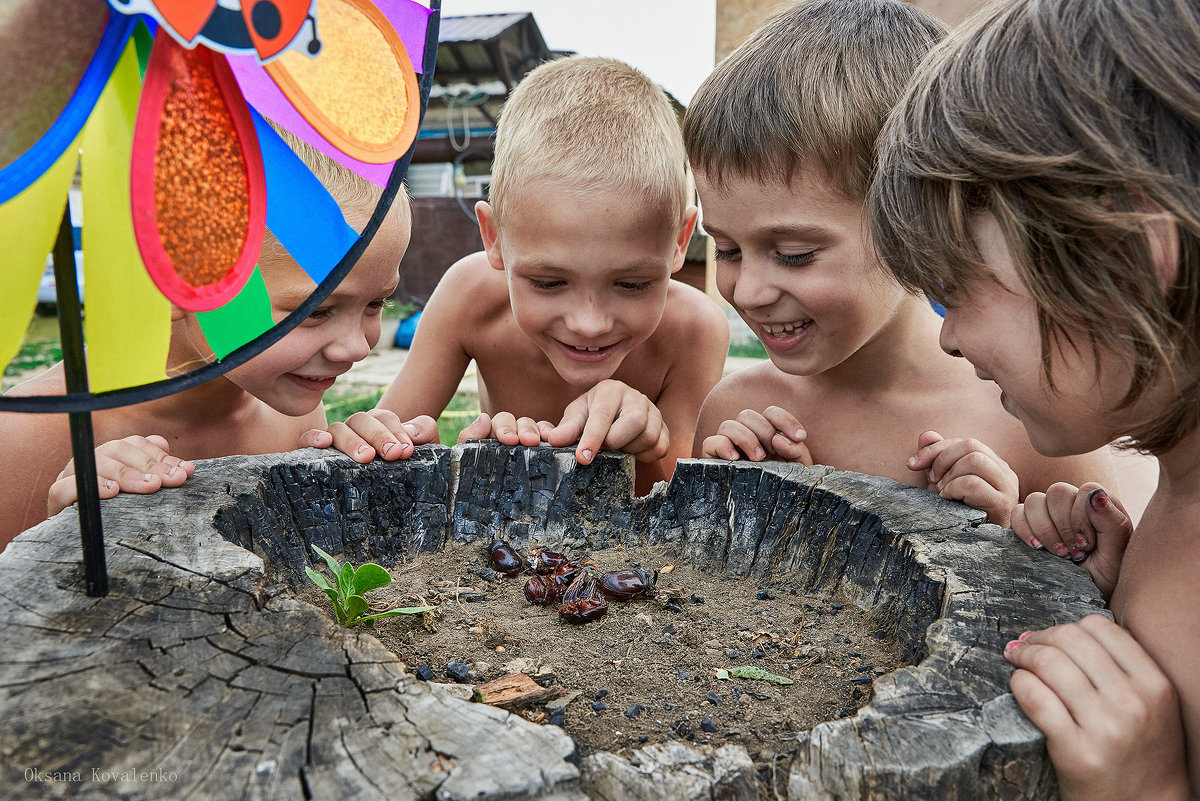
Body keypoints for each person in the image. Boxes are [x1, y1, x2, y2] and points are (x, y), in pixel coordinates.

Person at [868, 0, 1200, 797]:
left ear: (1121, 261)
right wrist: (1119, 596)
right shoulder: (1179, 486)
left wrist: (1148, 789)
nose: (946, 339)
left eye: (954, 295)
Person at [681, 0, 1114, 529]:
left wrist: (1002, 536)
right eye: (726, 250)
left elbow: (1103, 588)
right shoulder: (736, 416)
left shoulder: (1031, 421)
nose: (746, 291)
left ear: (912, 224)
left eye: (795, 255)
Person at [305, 56, 730, 494]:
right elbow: (390, 436)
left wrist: (643, 442)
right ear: (494, 238)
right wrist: (406, 452)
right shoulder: (470, 297)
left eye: (631, 284)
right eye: (548, 283)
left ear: (680, 242)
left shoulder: (694, 331)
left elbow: (684, 509)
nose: (589, 322)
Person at [0, 127, 414, 549]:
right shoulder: (26, 434)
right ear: (176, 282)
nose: (357, 348)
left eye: (377, 303)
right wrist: (63, 534)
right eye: (316, 311)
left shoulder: (293, 417)